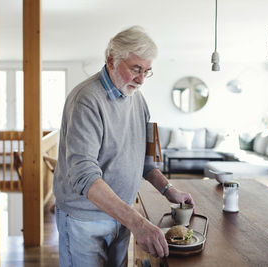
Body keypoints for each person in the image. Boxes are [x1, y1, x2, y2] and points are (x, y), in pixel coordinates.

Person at [53, 25, 194, 267]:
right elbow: (84, 176)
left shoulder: (138, 100)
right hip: (85, 220)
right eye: (135, 69)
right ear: (111, 61)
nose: (140, 80)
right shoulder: (86, 100)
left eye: (147, 71)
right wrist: (138, 222)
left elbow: (147, 161)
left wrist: (167, 189)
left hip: (122, 216)